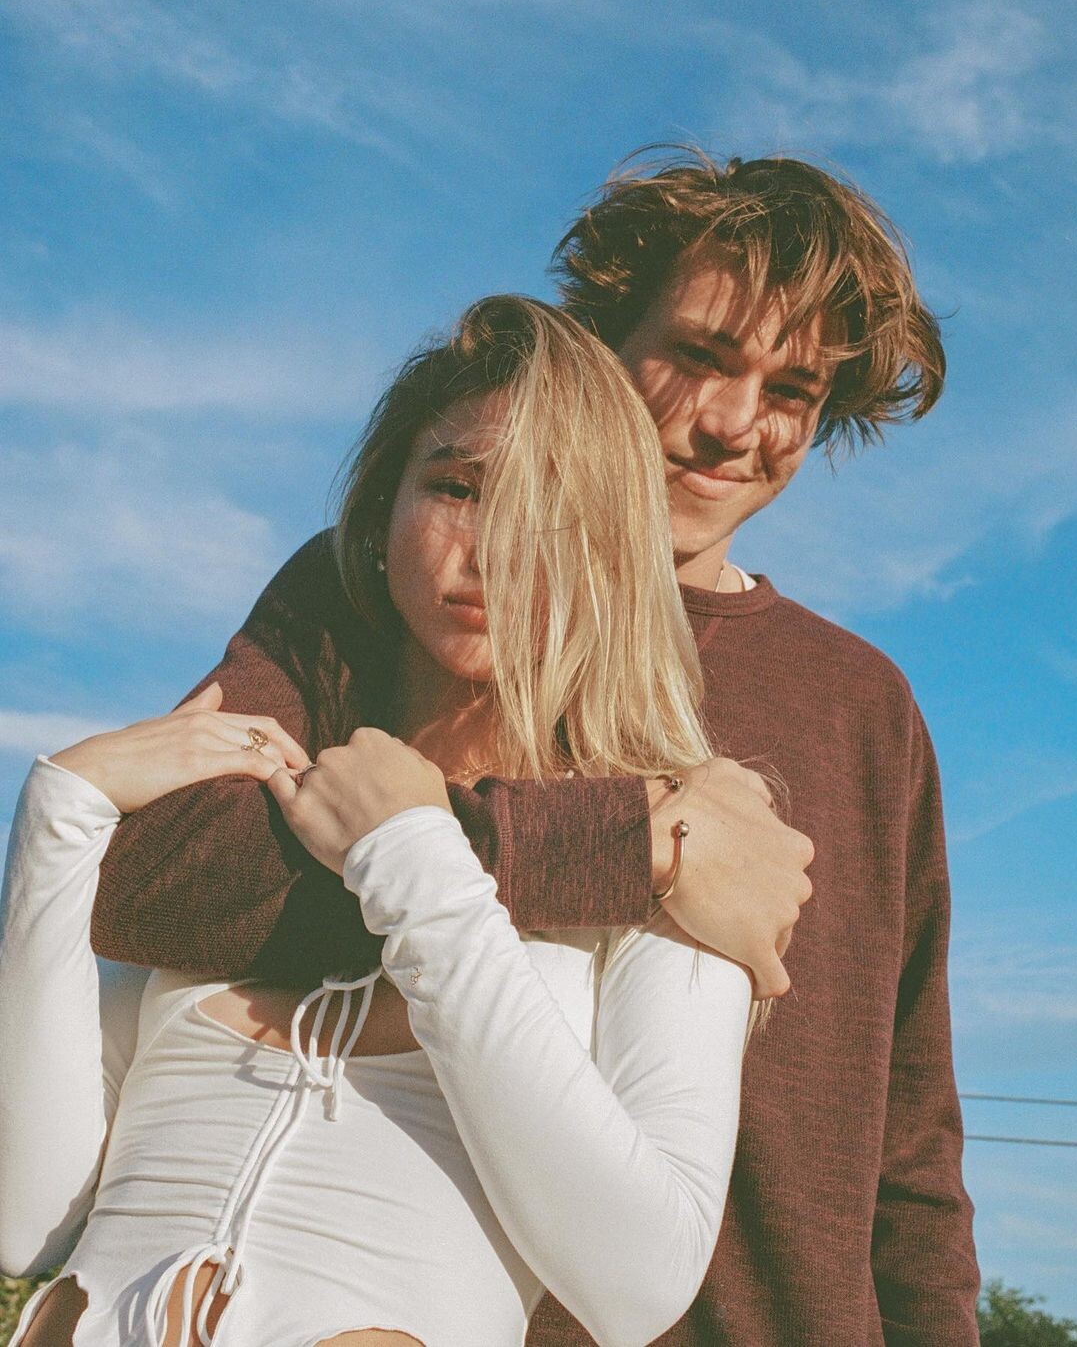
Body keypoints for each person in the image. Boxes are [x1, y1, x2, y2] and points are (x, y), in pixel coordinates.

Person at [86, 149, 979, 1343]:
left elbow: (911, 1134)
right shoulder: (383, 592)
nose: (732, 424)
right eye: (699, 355)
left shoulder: (860, 702)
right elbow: (144, 882)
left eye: (792, 391)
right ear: (602, 338)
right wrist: (629, 848)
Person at [0, 297, 762, 1346]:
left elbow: (638, 1285)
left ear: (617, 553)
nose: (493, 551)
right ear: (381, 511)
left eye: (554, 510)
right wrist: (58, 821)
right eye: (457, 488)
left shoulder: (665, 860)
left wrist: (415, 862)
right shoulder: (236, 835)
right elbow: (23, 1216)